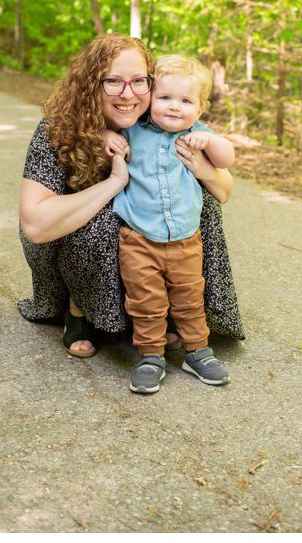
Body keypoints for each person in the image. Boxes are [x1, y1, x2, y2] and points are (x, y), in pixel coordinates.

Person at [17, 34, 244, 362]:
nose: (128, 93)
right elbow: (36, 226)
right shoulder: (57, 129)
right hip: (63, 241)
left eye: (139, 81)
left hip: (145, 237)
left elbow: (223, 191)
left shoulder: (156, 116)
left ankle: (169, 313)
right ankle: (79, 310)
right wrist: (115, 181)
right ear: (91, 84)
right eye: (113, 82)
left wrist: (202, 168)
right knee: (109, 215)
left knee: (199, 203)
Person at [104, 54, 234, 394]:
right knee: (145, 301)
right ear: (150, 100)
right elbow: (101, 134)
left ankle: (198, 351)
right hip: (138, 239)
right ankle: (150, 355)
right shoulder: (133, 130)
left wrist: (211, 143)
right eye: (165, 98)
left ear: (200, 108)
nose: (175, 107)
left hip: (185, 240)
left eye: (186, 101)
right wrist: (106, 137)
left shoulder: (198, 134)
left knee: (190, 297)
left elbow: (227, 159)